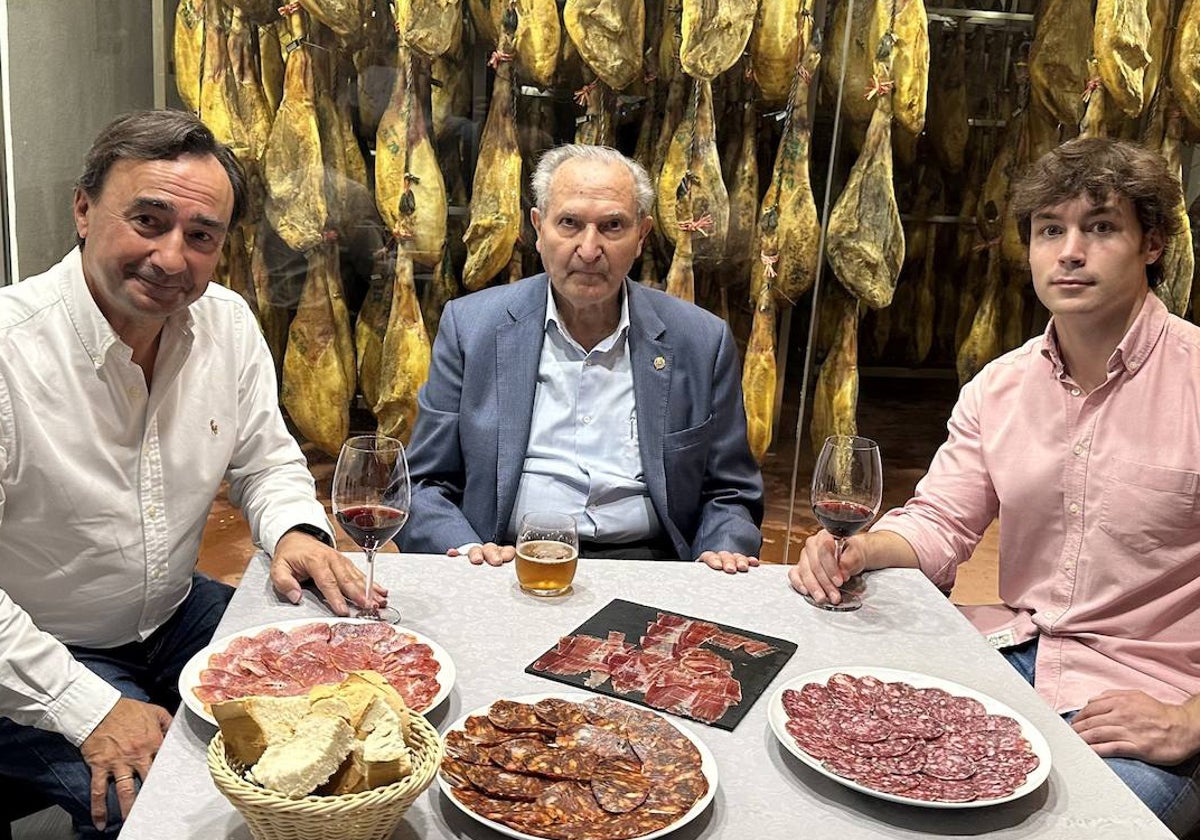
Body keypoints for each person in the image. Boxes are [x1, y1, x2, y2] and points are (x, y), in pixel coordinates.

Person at [790, 137, 1200, 836]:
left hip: (1149, 695)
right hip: (1016, 655)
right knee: (842, 774)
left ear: (1152, 244)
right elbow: (944, 520)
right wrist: (863, 551)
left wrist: (1190, 720)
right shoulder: (1001, 386)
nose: (1069, 252)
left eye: (1099, 228)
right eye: (1050, 230)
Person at [0, 110, 382, 837]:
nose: (173, 258)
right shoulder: (9, 351)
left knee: (345, 688)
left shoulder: (228, 325)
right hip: (36, 646)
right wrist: (89, 708)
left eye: (200, 236)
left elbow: (266, 459)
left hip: (171, 614)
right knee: (163, 803)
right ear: (83, 210)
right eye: (148, 220)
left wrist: (296, 530)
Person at [399, 144, 763, 572]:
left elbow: (731, 493)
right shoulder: (471, 327)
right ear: (539, 228)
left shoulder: (700, 340)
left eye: (612, 226)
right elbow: (422, 484)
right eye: (569, 223)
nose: (589, 250)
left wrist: (720, 547)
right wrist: (465, 551)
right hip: (504, 563)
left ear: (642, 236)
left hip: (651, 569)